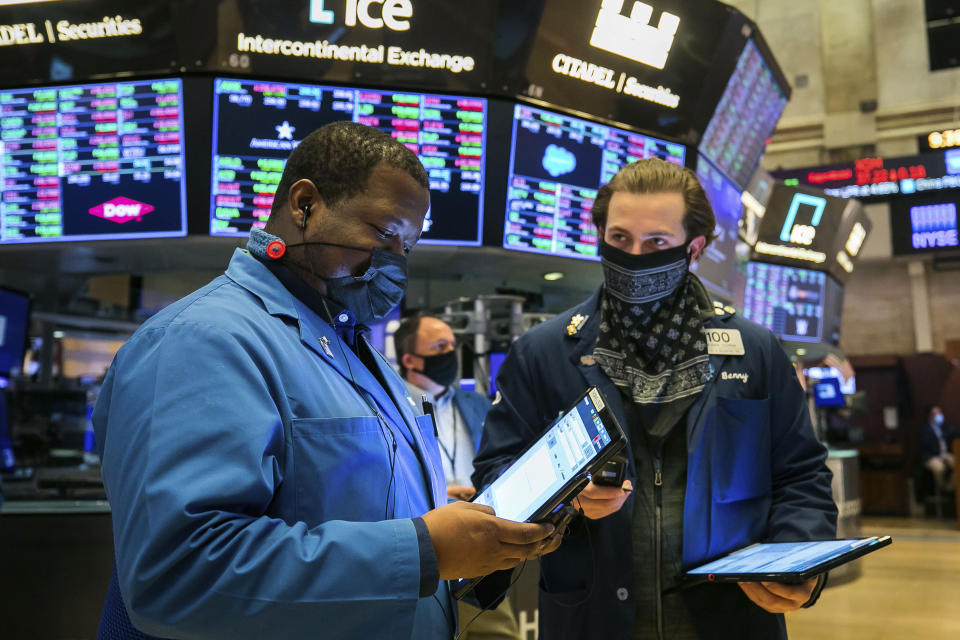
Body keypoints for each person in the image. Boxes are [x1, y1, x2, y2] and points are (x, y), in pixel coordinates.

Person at [92, 122, 559, 640]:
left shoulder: (354, 349)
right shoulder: (201, 340)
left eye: (407, 247)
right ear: (304, 204)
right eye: (384, 234)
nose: (393, 264)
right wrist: (425, 549)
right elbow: (177, 575)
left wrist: (449, 523)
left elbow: (339, 504)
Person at [472, 158, 838, 640]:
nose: (634, 256)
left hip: (731, 618)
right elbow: (495, 479)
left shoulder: (755, 350)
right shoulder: (544, 352)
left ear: (695, 248)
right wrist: (564, 500)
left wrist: (797, 557)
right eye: (620, 239)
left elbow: (801, 474)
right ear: (601, 236)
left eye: (657, 243)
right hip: (592, 620)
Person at [394, 315, 522, 640]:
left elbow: (496, 458)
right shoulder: (390, 405)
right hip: (426, 545)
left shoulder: (477, 404)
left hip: (480, 543)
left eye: (453, 345)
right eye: (440, 347)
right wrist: (439, 493)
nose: (451, 353)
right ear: (410, 359)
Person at [920, 405, 955, 492]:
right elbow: (925, 448)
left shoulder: (943, 427)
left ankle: (950, 487)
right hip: (932, 456)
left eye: (940, 412)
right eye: (937, 413)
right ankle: (942, 488)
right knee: (940, 468)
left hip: (944, 454)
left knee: (957, 464)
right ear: (931, 416)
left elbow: (952, 435)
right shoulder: (925, 429)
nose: (940, 415)